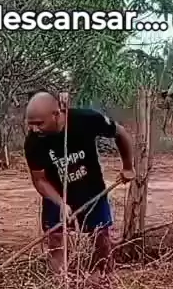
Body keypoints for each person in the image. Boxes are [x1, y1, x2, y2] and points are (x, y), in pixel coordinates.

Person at [24, 91, 135, 273]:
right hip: (56, 195)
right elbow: (39, 180)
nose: (35, 129)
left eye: (39, 123)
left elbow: (120, 133)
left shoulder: (85, 120)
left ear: (56, 114)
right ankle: (59, 283)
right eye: (31, 124)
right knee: (56, 239)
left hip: (92, 191)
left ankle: (104, 279)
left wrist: (128, 167)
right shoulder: (33, 142)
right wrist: (60, 203)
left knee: (101, 239)